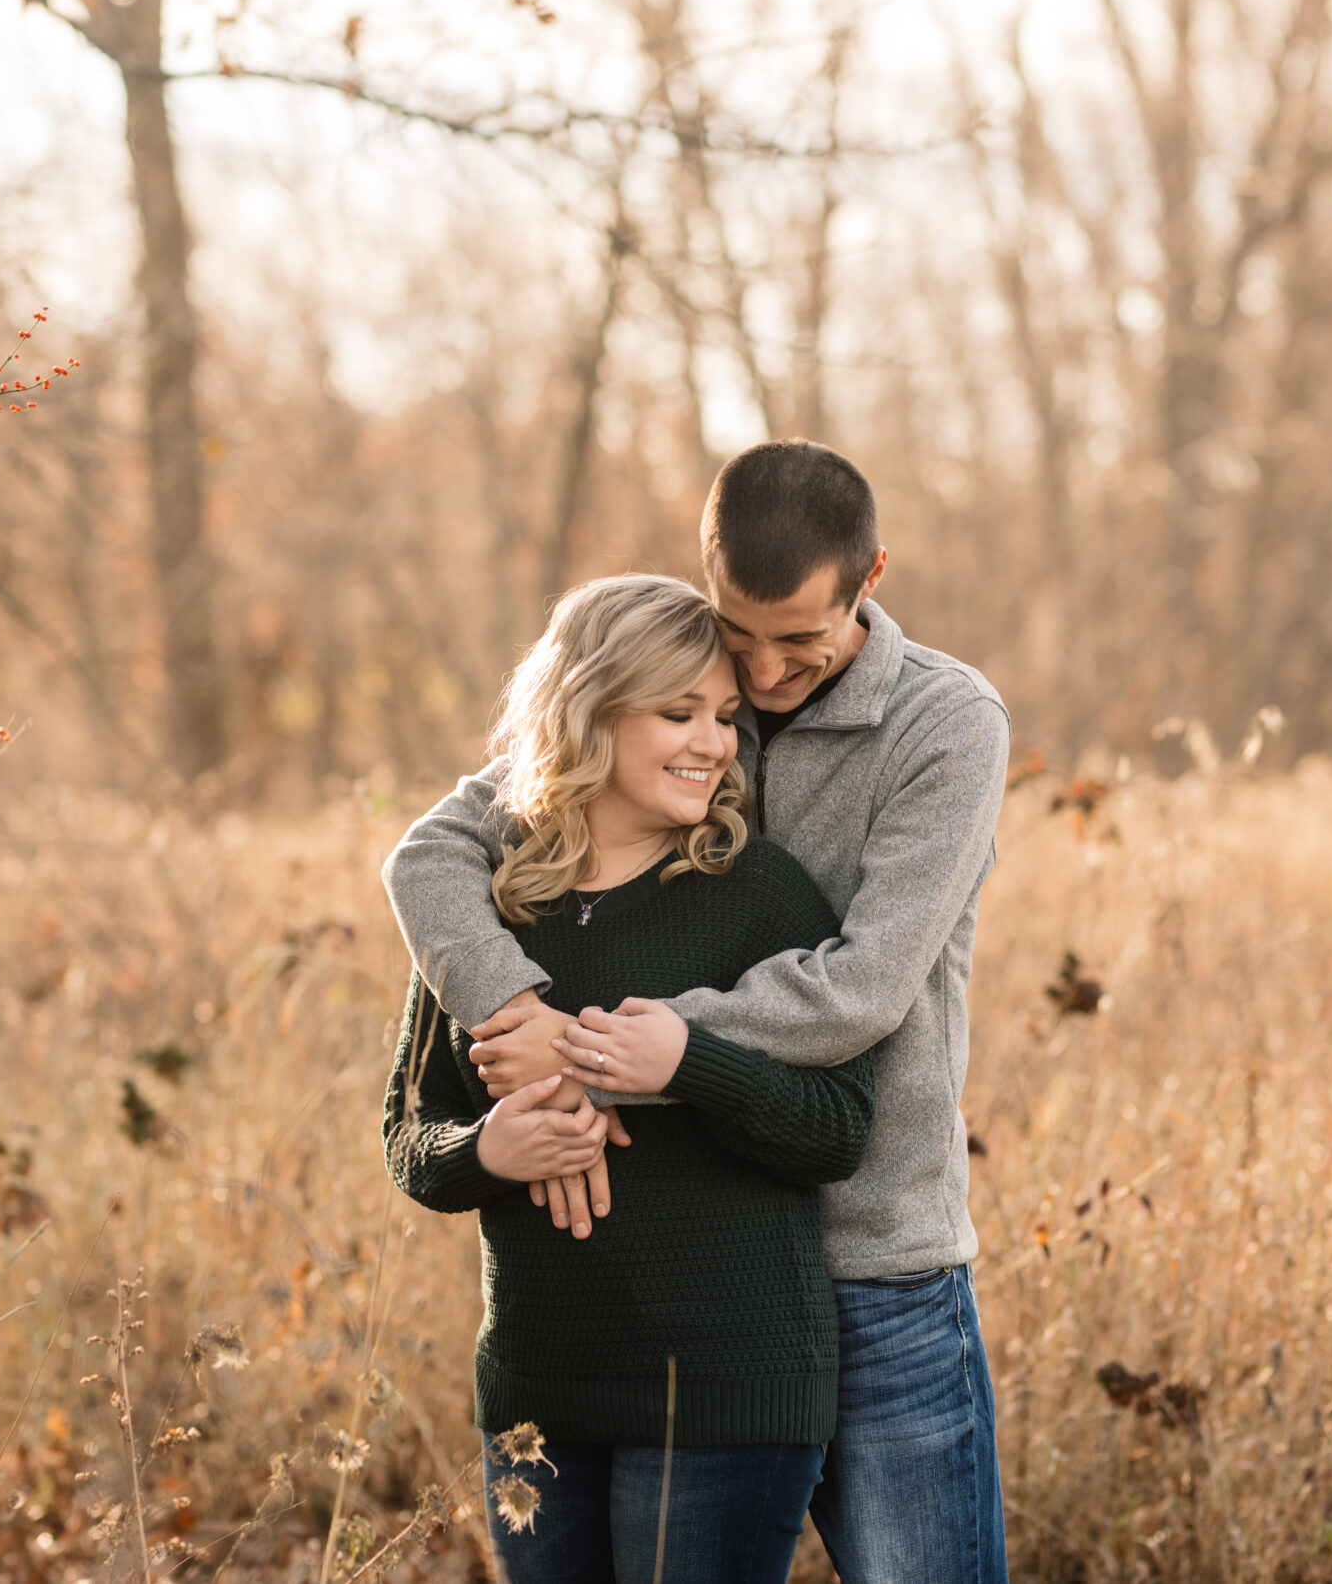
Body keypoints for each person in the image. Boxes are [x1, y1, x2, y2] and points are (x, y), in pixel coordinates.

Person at [384, 440, 1013, 1583]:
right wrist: (513, 1011)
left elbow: (865, 985)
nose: (760, 683)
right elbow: (434, 850)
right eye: (740, 637)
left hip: (876, 1257)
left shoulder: (944, 725)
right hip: (667, 1284)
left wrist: (617, 1051)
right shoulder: (670, 680)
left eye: (798, 644)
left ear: (870, 579)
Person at [381, 572, 877, 1582]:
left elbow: (837, 1128)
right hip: (537, 1389)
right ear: (589, 713)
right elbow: (409, 1137)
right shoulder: (486, 916)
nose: (712, 742)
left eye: (726, 717)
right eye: (677, 712)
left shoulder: (756, 895)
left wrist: (687, 1064)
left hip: (725, 1387)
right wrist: (491, 1149)